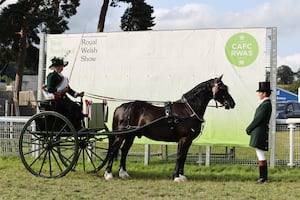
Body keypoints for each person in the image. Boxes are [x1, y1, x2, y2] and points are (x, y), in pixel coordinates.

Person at [44, 57, 84, 131]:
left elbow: (68, 90)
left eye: (61, 66)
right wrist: (61, 91)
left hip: (64, 99)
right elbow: (49, 89)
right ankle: (72, 128)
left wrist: (77, 94)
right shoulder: (51, 76)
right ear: (55, 67)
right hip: (56, 101)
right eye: (59, 66)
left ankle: (78, 127)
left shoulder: (63, 77)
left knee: (77, 107)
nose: (61, 68)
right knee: (71, 108)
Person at [246, 81, 272, 184]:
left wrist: (249, 128)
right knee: (259, 153)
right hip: (259, 131)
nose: (258, 94)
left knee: (260, 154)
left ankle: (263, 177)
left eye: (260, 92)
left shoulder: (265, 105)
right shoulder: (265, 104)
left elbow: (258, 119)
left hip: (259, 131)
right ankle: (263, 177)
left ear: (264, 93)